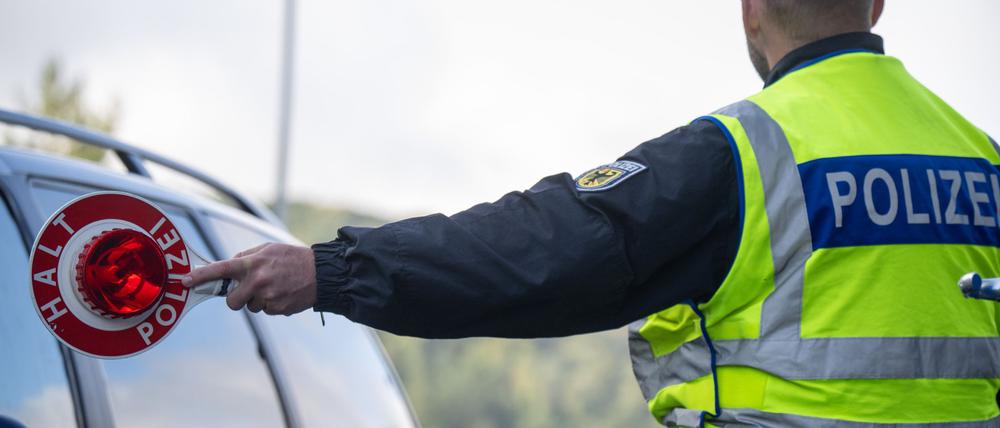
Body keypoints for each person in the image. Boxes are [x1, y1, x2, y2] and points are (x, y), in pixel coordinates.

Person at [184, 0, 1000, 425]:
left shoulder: (743, 152)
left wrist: (331, 269)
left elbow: (535, 253)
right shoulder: (981, 157)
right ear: (876, 7)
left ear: (751, 11)